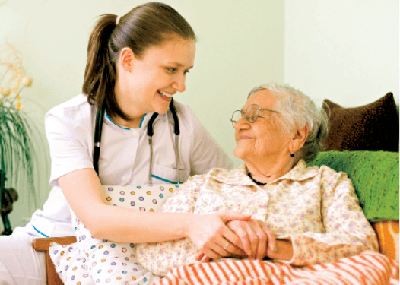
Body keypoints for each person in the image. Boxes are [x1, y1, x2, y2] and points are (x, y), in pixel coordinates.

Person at [0, 3, 252, 284]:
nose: (180, 85)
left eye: (186, 72)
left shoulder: (183, 122)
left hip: (145, 254)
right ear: (128, 60)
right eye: (171, 69)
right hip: (58, 242)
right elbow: (96, 218)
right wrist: (190, 224)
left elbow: (230, 188)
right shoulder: (68, 120)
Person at [131, 83, 378, 276]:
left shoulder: (327, 184)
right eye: (240, 116)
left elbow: (361, 244)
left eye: (252, 116)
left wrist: (275, 247)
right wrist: (224, 241)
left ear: (296, 134)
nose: (238, 125)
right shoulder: (204, 185)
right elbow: (149, 251)